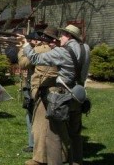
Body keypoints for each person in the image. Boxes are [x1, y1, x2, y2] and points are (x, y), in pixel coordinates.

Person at [17, 24, 90, 165]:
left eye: (62, 35)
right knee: (75, 134)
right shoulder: (86, 49)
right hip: (79, 95)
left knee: (53, 136)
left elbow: (34, 59)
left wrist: (25, 45)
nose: (59, 38)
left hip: (63, 96)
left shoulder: (63, 52)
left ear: (68, 36)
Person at [18, 28, 59, 161]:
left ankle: (39, 155)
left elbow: (23, 63)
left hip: (42, 89)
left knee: (38, 125)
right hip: (54, 90)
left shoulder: (41, 49)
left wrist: (22, 47)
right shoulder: (58, 49)